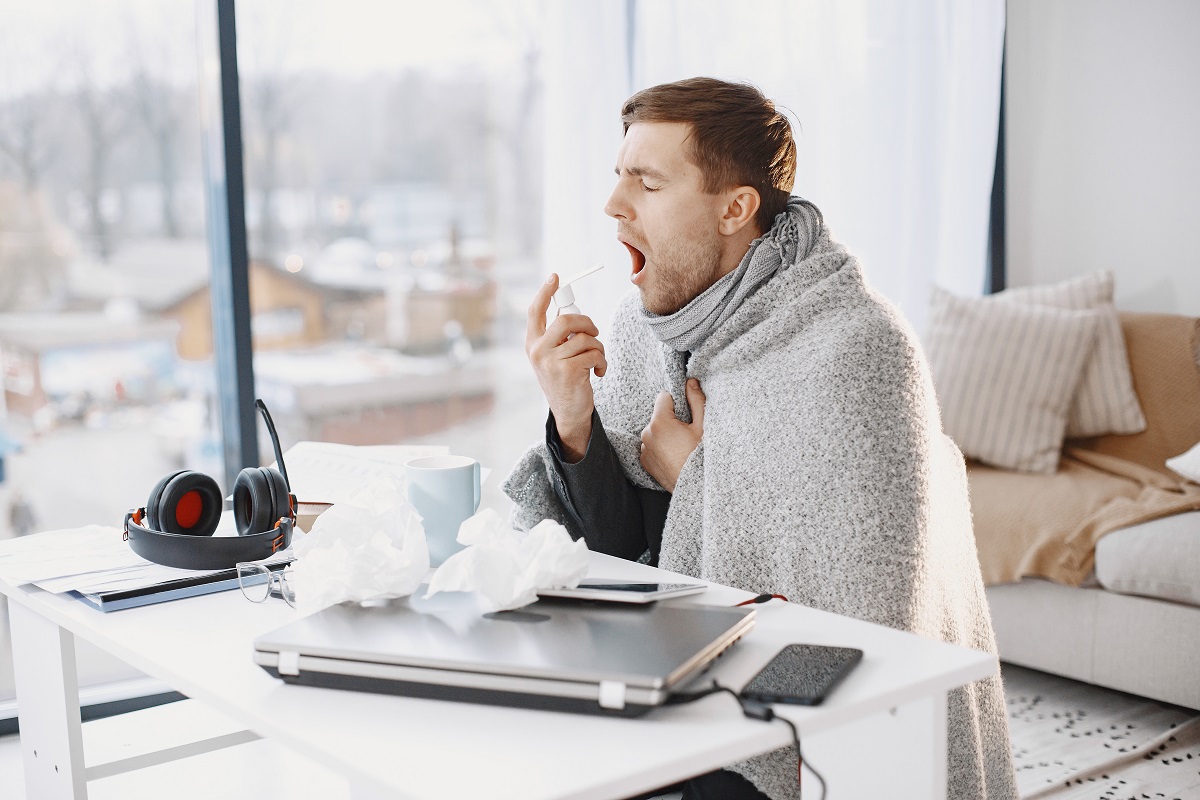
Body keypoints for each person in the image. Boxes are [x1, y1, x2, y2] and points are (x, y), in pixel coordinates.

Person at [504, 77, 1017, 800]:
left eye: (645, 183)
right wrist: (573, 417)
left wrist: (694, 478)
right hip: (676, 681)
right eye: (617, 177)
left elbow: (861, 638)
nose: (613, 206)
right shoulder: (643, 329)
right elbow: (618, 563)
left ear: (736, 209)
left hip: (804, 732)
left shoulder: (856, 348)